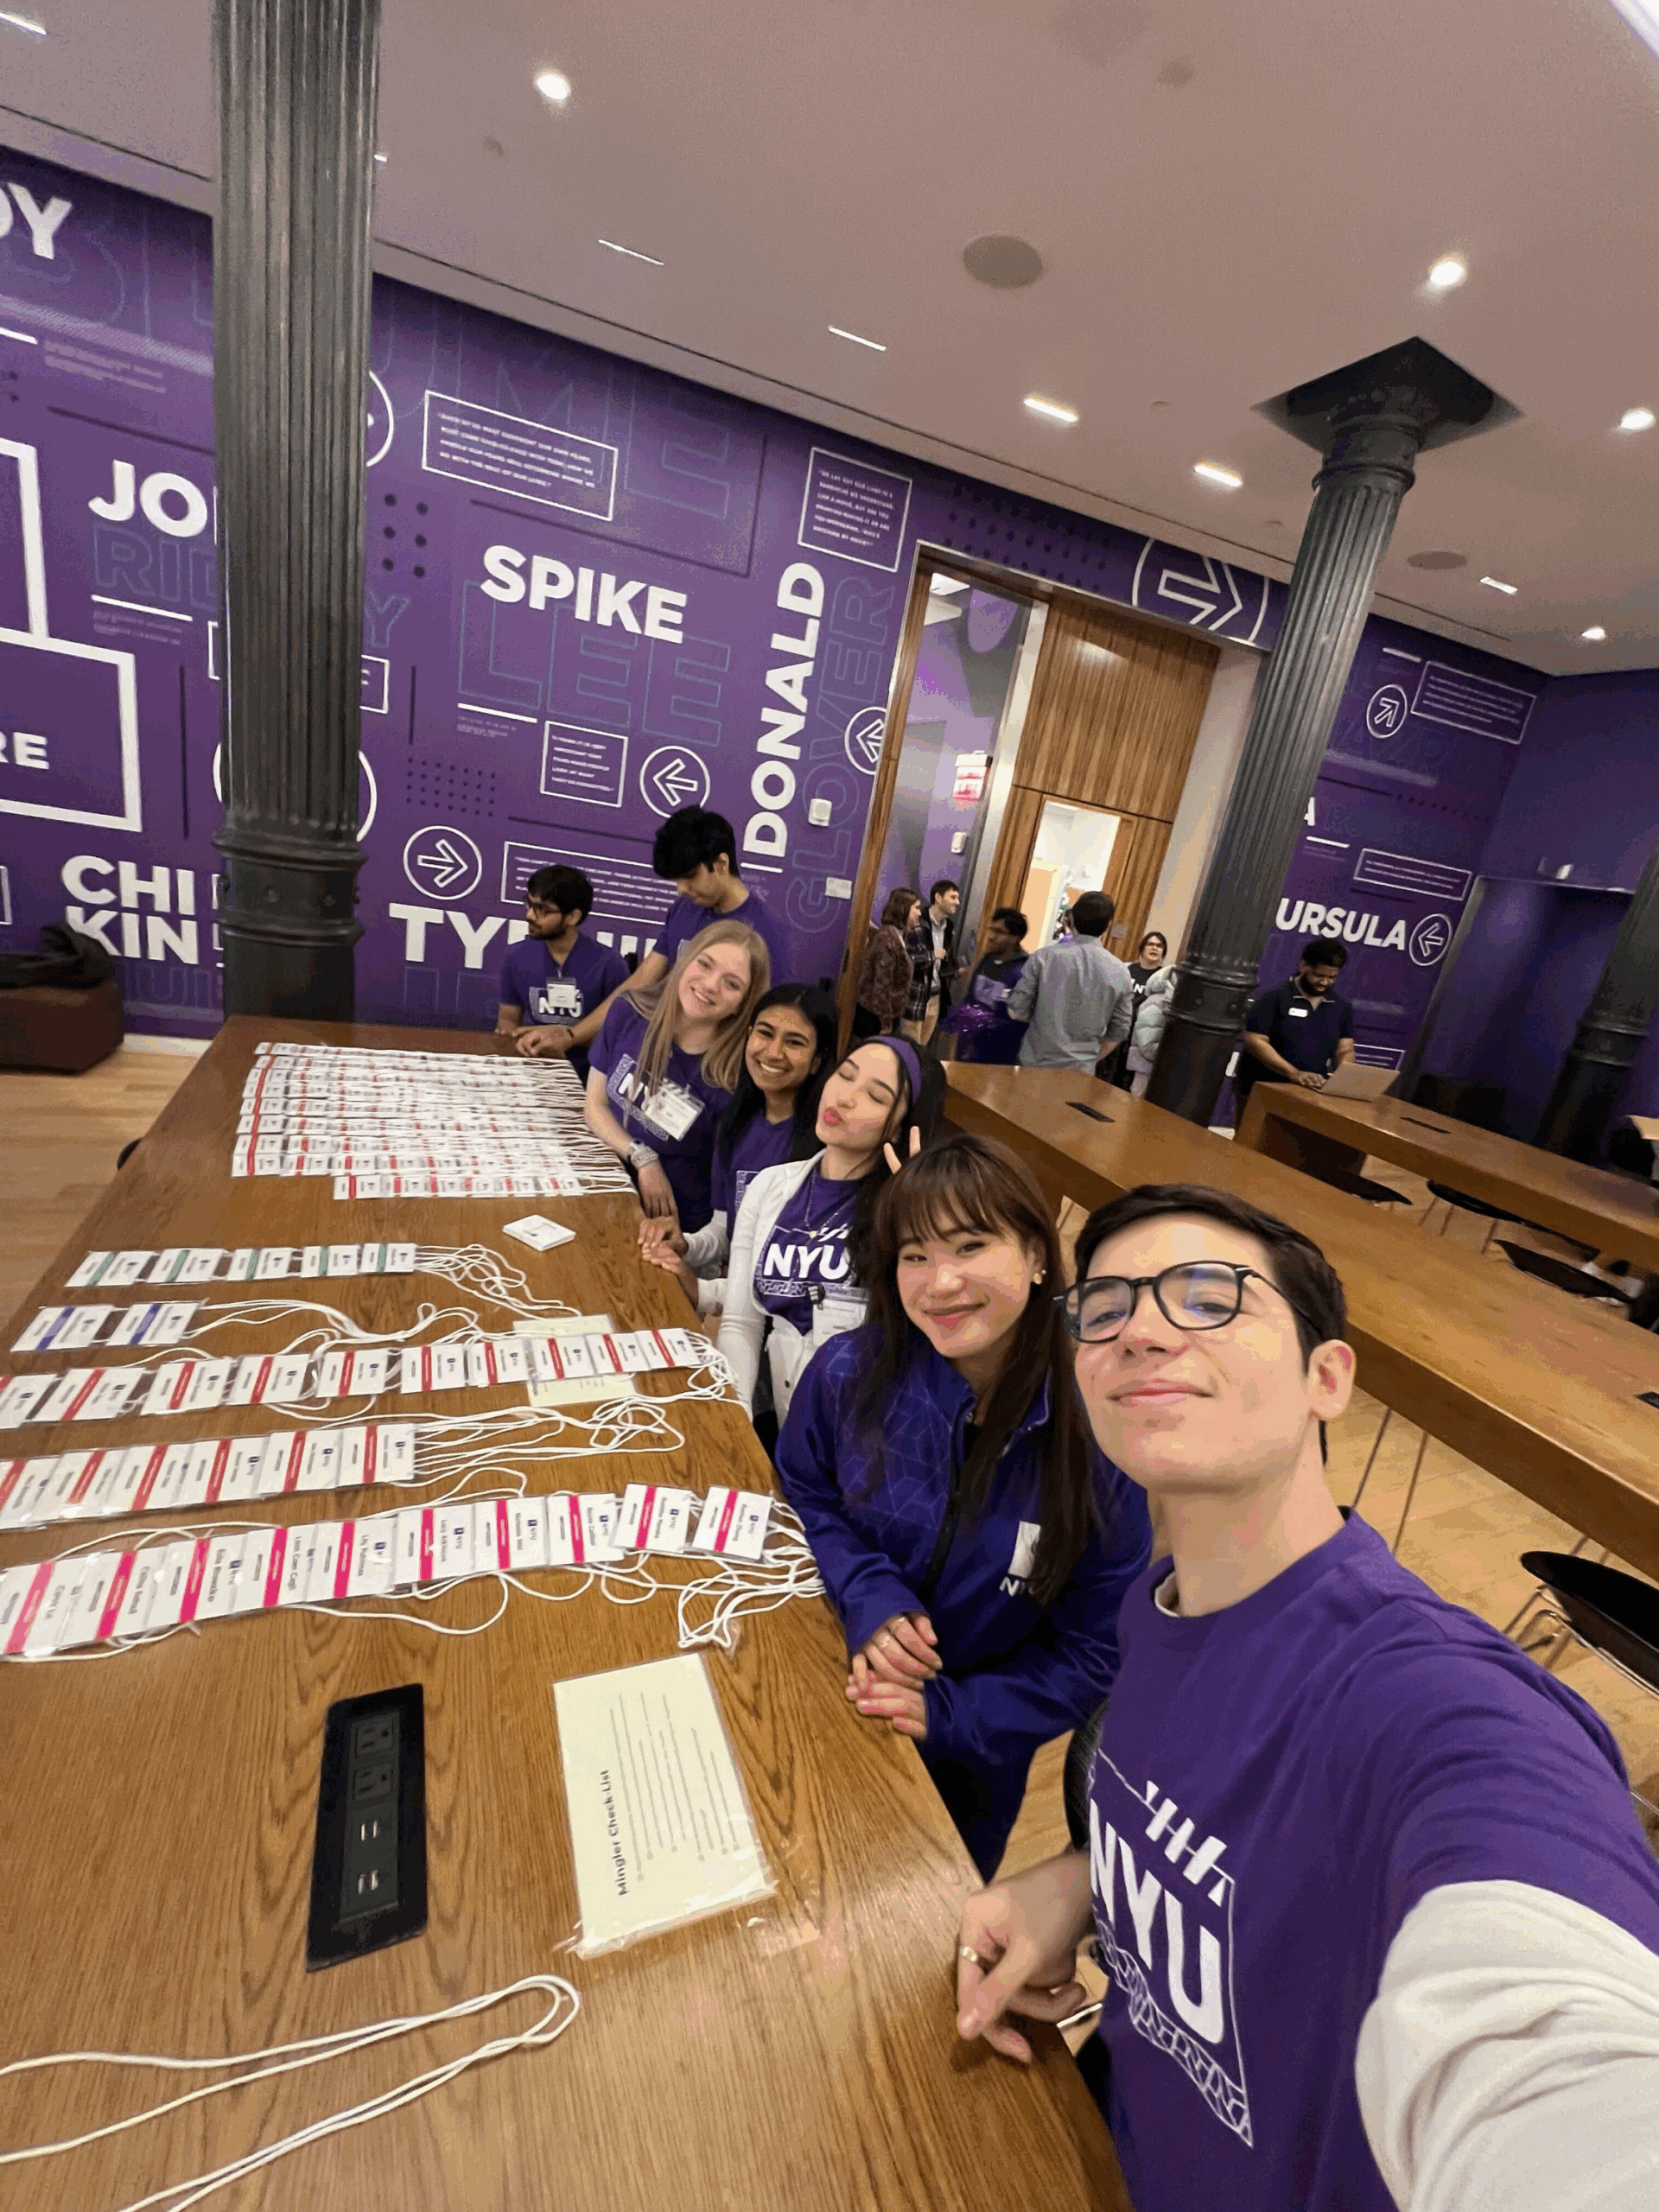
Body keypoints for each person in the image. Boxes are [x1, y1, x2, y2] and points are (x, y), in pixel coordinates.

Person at [955, 1182, 1659, 2212]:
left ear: (1328, 1377)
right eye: (1102, 1308)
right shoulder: (1165, 1609)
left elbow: (1554, 2054)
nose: (1140, 1329)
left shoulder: (1436, 1705)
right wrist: (1084, 1883)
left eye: (1208, 1296)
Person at [776, 1135, 1152, 1879]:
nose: (940, 1282)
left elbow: (1097, 1653)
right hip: (821, 1684)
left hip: (972, 1762)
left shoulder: (1103, 1432)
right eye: (915, 1255)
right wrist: (866, 1588)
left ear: (1040, 1255)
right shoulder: (848, 1371)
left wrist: (953, 1713)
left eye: (972, 1245)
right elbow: (802, 1491)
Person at [717, 1038, 944, 1429]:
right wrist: (734, 1422)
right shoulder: (772, 1186)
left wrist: (919, 1223)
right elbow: (742, 1323)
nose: (845, 1098)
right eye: (845, 1075)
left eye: (875, 1096)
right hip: (783, 1422)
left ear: (902, 1125)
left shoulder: (909, 1211)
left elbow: (927, 1340)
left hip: (869, 1437)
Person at [639, 985, 837, 1318]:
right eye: (765, 1033)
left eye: (794, 1042)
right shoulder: (735, 1122)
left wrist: (705, 1292)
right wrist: (684, 1245)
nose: (773, 1052)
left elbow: (795, 1279)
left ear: (818, 1060)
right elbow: (725, 1231)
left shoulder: (825, 1145)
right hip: (741, 1311)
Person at [584, 919, 768, 1232]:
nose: (710, 985)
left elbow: (728, 1207)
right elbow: (594, 1105)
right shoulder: (627, 1013)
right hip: (603, 1194)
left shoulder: (734, 1082)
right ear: (685, 961)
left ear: (743, 1005)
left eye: (731, 983)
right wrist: (642, 1157)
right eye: (705, 964)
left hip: (675, 1231)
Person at [494, 864, 630, 1084]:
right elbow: (508, 1021)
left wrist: (566, 1036)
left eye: (543, 910)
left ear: (573, 917)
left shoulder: (610, 965)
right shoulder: (515, 956)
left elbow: (619, 1036)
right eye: (529, 904)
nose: (530, 915)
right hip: (533, 1071)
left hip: (591, 1079)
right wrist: (522, 1041)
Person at [1005, 889, 1134, 1071]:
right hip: (1081, 1070)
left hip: (1035, 1064)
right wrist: (1090, 1058)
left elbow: (1016, 1011)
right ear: (1108, 925)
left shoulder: (1043, 958)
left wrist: (1044, 1017)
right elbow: (1119, 1030)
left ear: (1071, 919)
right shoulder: (1121, 971)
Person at [1236, 935, 1355, 1105]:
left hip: (1310, 1092)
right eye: (1318, 975)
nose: (1324, 982)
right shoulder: (1274, 997)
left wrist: (1343, 1079)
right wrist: (1293, 1073)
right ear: (1303, 966)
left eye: (1331, 977)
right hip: (1261, 1086)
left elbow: (1345, 1048)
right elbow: (1254, 1041)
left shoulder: (1341, 1006)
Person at [944, 907, 1031, 1065]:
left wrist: (985, 1022)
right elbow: (970, 998)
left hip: (999, 1059)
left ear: (1015, 938)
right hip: (968, 1050)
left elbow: (1021, 1023)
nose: (991, 937)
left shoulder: (1023, 972)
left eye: (999, 932)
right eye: (991, 929)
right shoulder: (986, 961)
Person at [1105, 929, 1169, 1088]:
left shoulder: (1162, 979)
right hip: (1117, 1031)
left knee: (1127, 1085)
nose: (1154, 948)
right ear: (1142, 948)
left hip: (1139, 1039)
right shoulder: (1126, 970)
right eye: (1150, 944)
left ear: (1163, 952)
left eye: (1159, 946)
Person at [854, 889, 920, 1039]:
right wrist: (885, 1024)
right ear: (903, 908)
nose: (920, 913)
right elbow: (882, 985)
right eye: (916, 908)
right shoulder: (887, 938)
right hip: (874, 1019)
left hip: (886, 1016)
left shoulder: (896, 936)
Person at [902, 879, 961, 1046]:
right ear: (938, 897)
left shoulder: (949, 926)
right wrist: (932, 955)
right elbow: (905, 959)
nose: (958, 902)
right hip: (915, 994)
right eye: (953, 897)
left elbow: (945, 962)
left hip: (935, 996)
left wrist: (957, 971)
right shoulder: (917, 921)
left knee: (922, 1048)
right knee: (909, 1047)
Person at [1124, 959, 1174, 1097]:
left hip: (1156, 1069)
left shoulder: (1171, 1003)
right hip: (1146, 1069)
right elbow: (1148, 1045)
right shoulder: (1157, 1002)